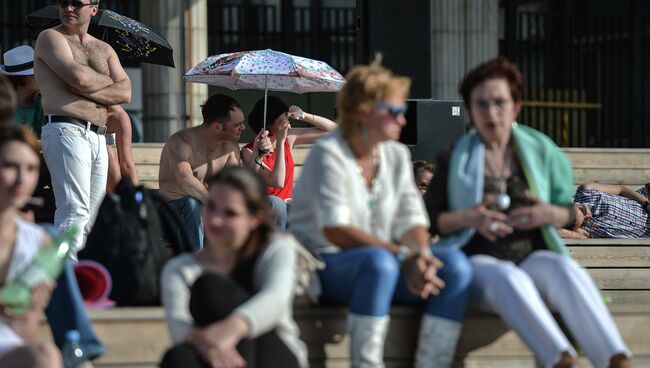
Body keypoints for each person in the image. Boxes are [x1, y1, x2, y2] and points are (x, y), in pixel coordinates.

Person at [424, 57, 631, 368]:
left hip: (531, 254)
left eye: (499, 102)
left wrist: (547, 214)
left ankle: (616, 359)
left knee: (566, 270)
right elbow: (431, 220)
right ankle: (561, 360)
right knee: (507, 275)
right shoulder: (455, 156)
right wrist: (470, 218)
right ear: (470, 110)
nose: (491, 112)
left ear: (516, 106)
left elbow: (569, 213)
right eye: (481, 104)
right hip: (478, 259)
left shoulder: (541, 150)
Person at [288, 58, 473, 368]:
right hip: (323, 266)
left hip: (384, 261)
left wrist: (420, 256)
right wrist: (403, 256)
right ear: (363, 113)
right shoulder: (329, 153)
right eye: (396, 112)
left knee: (455, 266)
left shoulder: (397, 155)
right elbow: (335, 230)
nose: (403, 120)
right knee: (380, 263)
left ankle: (433, 363)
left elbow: (412, 220)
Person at [160, 166, 308, 368]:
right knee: (178, 358)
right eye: (211, 206)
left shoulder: (276, 248)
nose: (216, 220)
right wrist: (216, 345)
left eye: (230, 213)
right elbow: (181, 330)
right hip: (213, 357)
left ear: (254, 220)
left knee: (210, 288)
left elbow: (275, 299)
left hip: (273, 355)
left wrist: (231, 330)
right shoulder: (179, 269)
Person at [34, 0, 132, 252]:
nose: (68, 8)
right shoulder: (50, 37)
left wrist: (86, 86)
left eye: (76, 3)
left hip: (99, 135)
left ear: (93, 8)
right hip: (65, 128)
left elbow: (126, 92)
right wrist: (108, 83)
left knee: (92, 213)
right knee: (73, 210)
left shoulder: (104, 48)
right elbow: (78, 78)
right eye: (63, 2)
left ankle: (76, 275)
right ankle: (60, 278)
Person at [159, 94, 270, 250]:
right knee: (192, 204)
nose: (243, 128)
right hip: (173, 215)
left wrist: (257, 156)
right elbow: (184, 180)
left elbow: (236, 185)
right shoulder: (181, 142)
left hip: (210, 212)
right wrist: (217, 205)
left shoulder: (230, 147)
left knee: (271, 204)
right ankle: (196, 266)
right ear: (217, 127)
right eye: (237, 124)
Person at [0, 126, 62, 368]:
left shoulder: (37, 240)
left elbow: (22, 334)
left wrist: (28, 312)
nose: (21, 179)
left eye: (31, 168)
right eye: (10, 166)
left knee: (46, 356)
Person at [241, 97, 337, 229]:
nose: (288, 126)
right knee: (277, 203)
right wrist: (280, 143)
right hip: (268, 209)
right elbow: (277, 182)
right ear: (269, 125)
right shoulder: (249, 152)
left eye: (288, 119)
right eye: (282, 122)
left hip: (290, 205)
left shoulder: (289, 137)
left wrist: (304, 116)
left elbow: (335, 131)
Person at [559, 182, 650, 239]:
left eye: (582, 210)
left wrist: (647, 204)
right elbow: (561, 233)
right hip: (645, 232)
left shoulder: (586, 191)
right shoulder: (583, 230)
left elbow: (621, 189)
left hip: (645, 199)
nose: (588, 216)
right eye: (584, 221)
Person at [0, 46, 43, 137]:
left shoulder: (41, 103)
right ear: (19, 79)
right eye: (34, 74)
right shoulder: (4, 106)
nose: (41, 76)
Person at [105, 105, 138, 194]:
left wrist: (135, 194)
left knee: (108, 153)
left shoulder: (119, 115)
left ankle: (116, 199)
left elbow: (127, 164)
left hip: (107, 171)